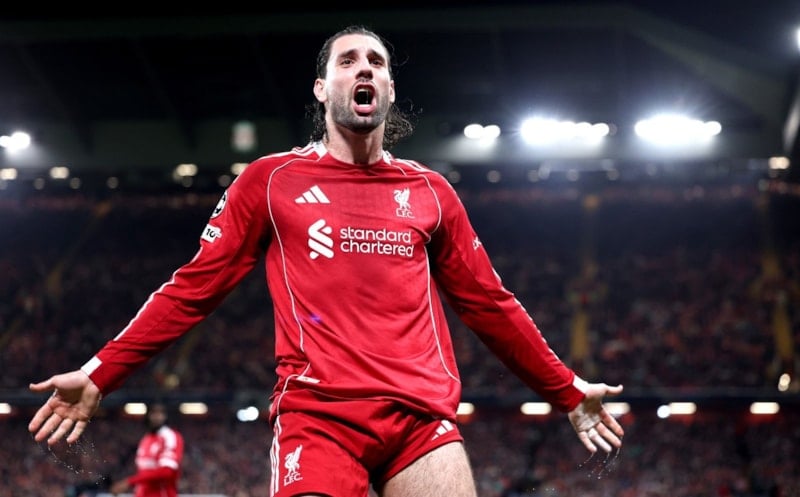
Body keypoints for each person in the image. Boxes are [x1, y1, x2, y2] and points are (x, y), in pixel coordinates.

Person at [28, 24, 624, 497]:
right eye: (348, 61)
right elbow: (194, 287)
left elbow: (489, 303)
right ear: (321, 89)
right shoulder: (271, 180)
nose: (364, 68)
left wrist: (568, 389)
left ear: (389, 90)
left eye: (377, 62)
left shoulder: (431, 192)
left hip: (420, 421)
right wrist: (101, 372)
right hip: (318, 418)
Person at [109, 402, 184, 497]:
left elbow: (166, 471)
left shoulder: (170, 437)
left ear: (166, 416)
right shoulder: (146, 439)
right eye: (153, 413)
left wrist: (130, 481)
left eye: (160, 413)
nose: (157, 417)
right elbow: (143, 472)